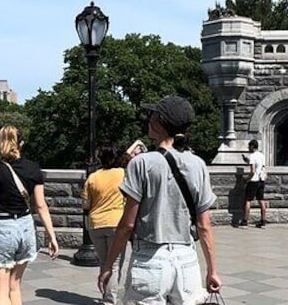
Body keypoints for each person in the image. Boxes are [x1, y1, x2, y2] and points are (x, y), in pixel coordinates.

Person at [98, 95, 221, 303]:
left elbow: (127, 225)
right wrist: (212, 270)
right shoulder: (198, 164)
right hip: (186, 259)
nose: (148, 118)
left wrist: (109, 265)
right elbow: (204, 225)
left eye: (152, 115)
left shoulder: (141, 164)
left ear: (160, 121)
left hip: (149, 258)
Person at [0, 126, 59, 305]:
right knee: (15, 285)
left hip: (2, 227)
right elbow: (41, 205)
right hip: (26, 226)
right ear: (21, 143)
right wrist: (52, 236)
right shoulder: (33, 168)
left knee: (1, 292)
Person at [82, 144, 126, 304]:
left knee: (103, 262)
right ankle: (109, 300)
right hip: (117, 222)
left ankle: (105, 296)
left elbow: (86, 204)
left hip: (96, 224)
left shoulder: (92, 177)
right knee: (113, 264)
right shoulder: (122, 174)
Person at [241, 139, 268, 229]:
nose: (248, 148)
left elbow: (252, 170)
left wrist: (247, 180)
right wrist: (246, 160)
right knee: (261, 200)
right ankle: (263, 221)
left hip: (254, 180)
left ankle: (245, 222)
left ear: (252, 146)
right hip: (261, 179)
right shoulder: (262, 155)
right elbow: (262, 167)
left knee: (248, 200)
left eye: (249, 146)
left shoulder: (252, 156)